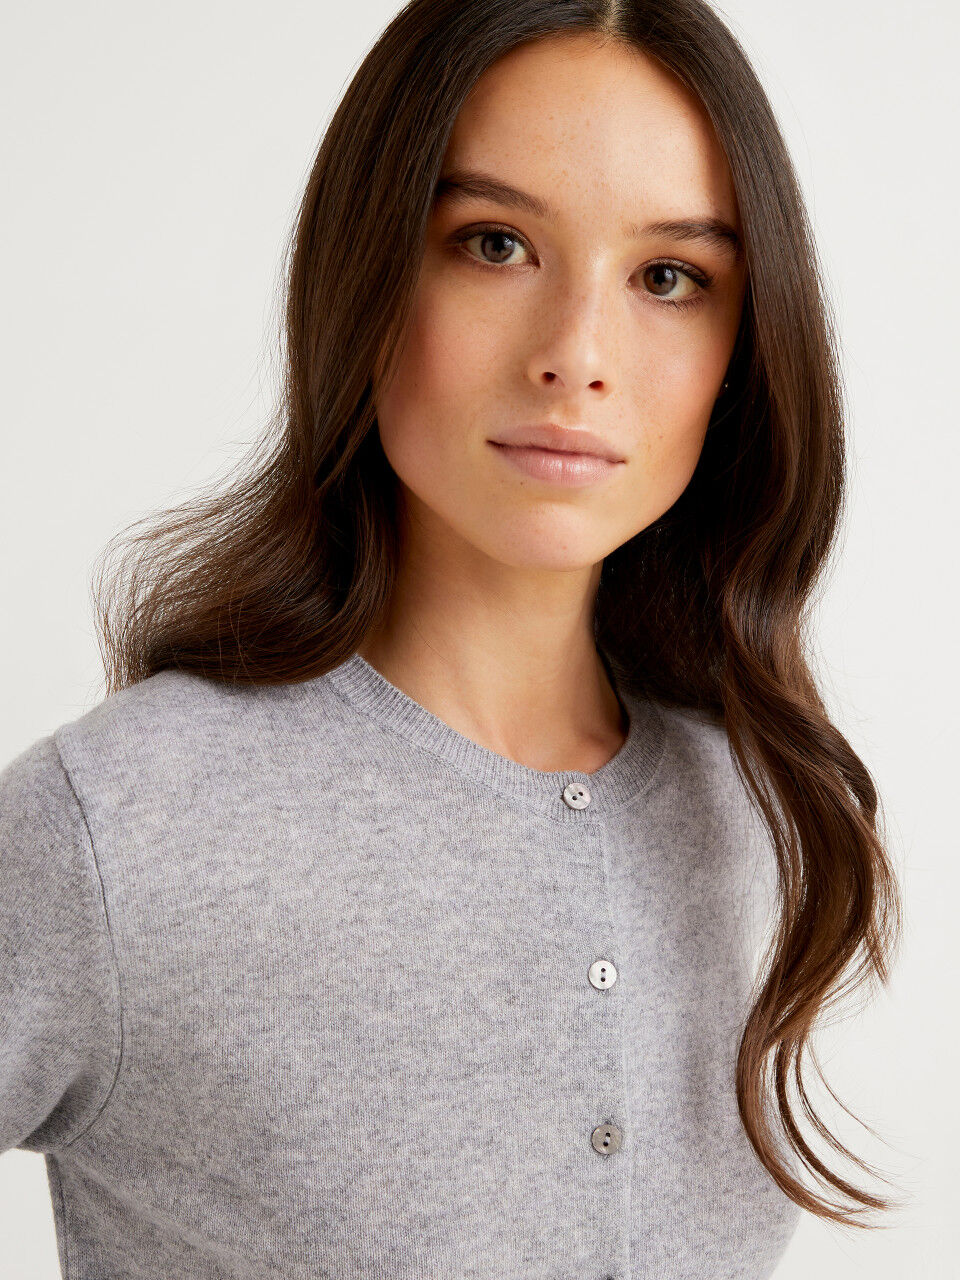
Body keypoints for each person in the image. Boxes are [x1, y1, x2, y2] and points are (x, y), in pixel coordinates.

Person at [0, 1, 903, 1277]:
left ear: (744, 347)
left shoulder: (742, 803)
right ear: (367, 268)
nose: (576, 355)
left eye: (669, 277)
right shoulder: (118, 826)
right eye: (494, 244)